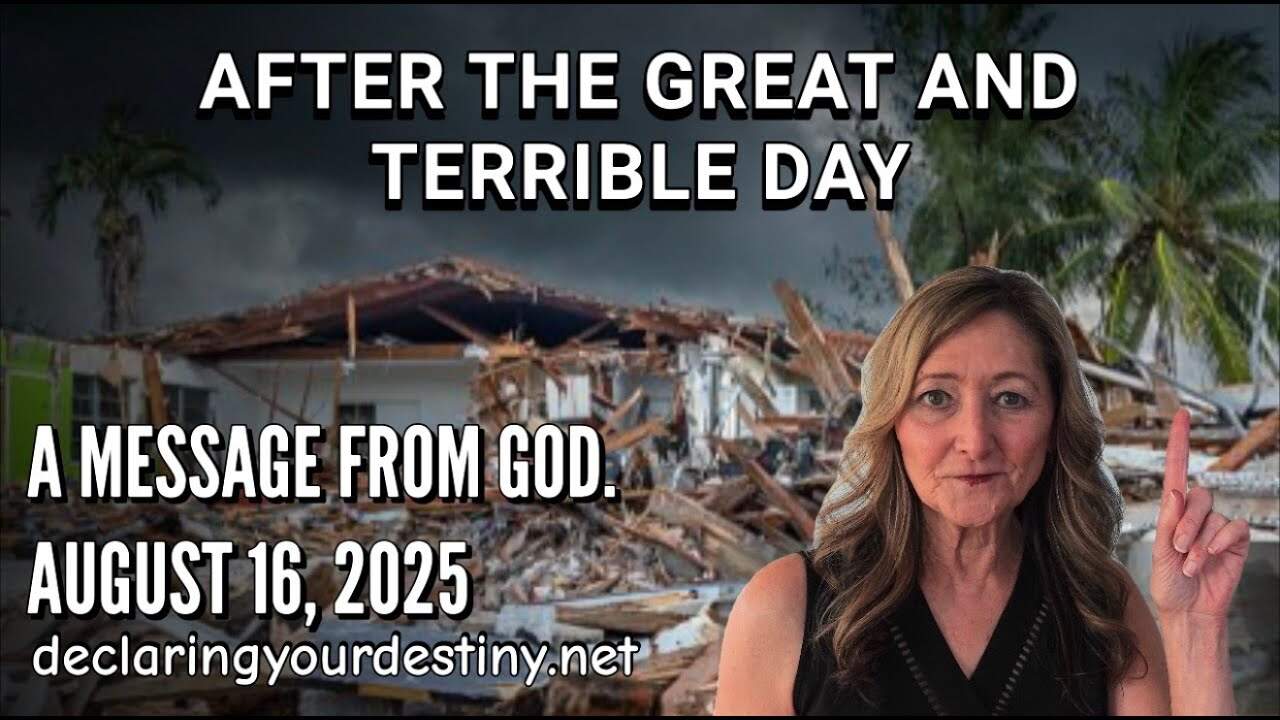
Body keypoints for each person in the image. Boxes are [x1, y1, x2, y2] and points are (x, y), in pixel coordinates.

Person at [714, 266, 1251, 715]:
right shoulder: (786, 609)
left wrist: (1196, 628)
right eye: (936, 397)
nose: (974, 440)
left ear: (1056, 422)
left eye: (1011, 399)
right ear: (892, 419)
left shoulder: (1099, 607)